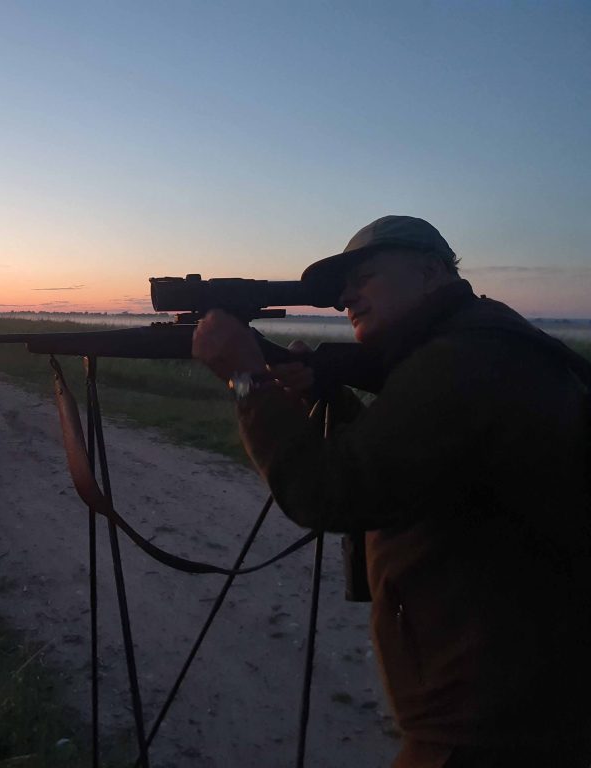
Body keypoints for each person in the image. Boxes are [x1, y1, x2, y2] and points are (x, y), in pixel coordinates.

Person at [191, 215, 591, 768]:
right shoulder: (478, 343)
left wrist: (247, 379)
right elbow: (410, 470)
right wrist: (326, 398)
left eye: (367, 277)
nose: (344, 298)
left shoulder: (459, 363)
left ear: (430, 273)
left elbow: (329, 492)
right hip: (523, 697)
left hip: (491, 726)